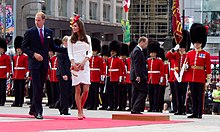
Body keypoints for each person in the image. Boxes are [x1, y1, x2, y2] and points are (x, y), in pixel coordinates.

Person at [21, 11, 66, 119]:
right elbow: (24, 47)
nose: (37, 22)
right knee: (36, 87)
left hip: (44, 64)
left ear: (43, 20)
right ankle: (38, 111)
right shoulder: (30, 32)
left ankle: (33, 109)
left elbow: (53, 47)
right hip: (34, 64)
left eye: (39, 20)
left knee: (40, 87)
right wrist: (33, 54)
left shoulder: (48, 32)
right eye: (36, 20)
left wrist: (67, 50)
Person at [67, 15, 92, 120]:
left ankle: (80, 107)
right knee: (77, 89)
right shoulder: (70, 40)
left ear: (80, 27)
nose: (74, 28)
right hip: (75, 65)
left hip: (84, 65)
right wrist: (73, 64)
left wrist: (84, 62)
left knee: (86, 89)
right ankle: (79, 111)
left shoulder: (88, 38)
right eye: (73, 26)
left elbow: (89, 52)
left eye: (76, 26)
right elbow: (70, 53)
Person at [186, 23, 211, 119]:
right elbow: (187, 64)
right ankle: (194, 111)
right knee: (193, 95)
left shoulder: (206, 54)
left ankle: (199, 112)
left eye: (198, 43)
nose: (196, 44)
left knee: (200, 96)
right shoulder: (190, 53)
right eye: (195, 43)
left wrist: (208, 79)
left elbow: (208, 67)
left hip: (200, 77)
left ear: (202, 43)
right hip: (191, 76)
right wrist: (186, 67)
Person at [166, 30, 191, 115]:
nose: (181, 48)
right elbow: (168, 56)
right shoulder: (176, 54)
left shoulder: (188, 55)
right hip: (177, 77)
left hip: (184, 77)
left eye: (182, 47)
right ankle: (179, 109)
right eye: (180, 47)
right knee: (177, 94)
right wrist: (173, 49)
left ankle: (183, 109)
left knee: (184, 95)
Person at [130, 36, 148, 114]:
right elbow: (137, 64)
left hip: (135, 75)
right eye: (146, 43)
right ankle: (136, 107)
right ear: (142, 42)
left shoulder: (136, 50)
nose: (146, 45)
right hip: (137, 75)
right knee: (144, 91)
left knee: (136, 92)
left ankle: (134, 108)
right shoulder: (137, 51)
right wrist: (138, 76)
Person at [56, 36, 72, 115]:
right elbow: (60, 64)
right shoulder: (60, 51)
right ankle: (64, 110)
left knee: (69, 91)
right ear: (64, 42)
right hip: (62, 74)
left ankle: (59, 104)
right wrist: (63, 74)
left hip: (68, 73)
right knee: (64, 93)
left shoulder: (68, 50)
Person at [11, 36, 28, 107]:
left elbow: (26, 66)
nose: (18, 50)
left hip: (21, 75)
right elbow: (14, 66)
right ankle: (16, 101)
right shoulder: (15, 57)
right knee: (16, 89)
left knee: (21, 89)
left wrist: (26, 75)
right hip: (16, 75)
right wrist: (12, 73)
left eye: (19, 49)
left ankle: (21, 101)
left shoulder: (25, 57)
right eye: (17, 49)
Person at [0, 38, 11, 106]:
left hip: (3, 74)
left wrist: (8, 73)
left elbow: (8, 65)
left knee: (2, 89)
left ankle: (2, 100)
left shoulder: (6, 56)